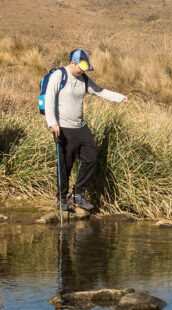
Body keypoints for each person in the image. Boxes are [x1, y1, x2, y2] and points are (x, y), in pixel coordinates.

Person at [44, 49, 128, 211]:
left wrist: (120, 97)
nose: (82, 70)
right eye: (81, 67)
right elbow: (49, 100)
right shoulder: (58, 76)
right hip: (63, 128)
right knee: (65, 166)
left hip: (80, 127)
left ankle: (77, 193)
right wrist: (52, 123)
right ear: (72, 63)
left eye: (85, 68)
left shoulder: (83, 78)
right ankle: (61, 199)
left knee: (91, 158)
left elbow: (100, 91)